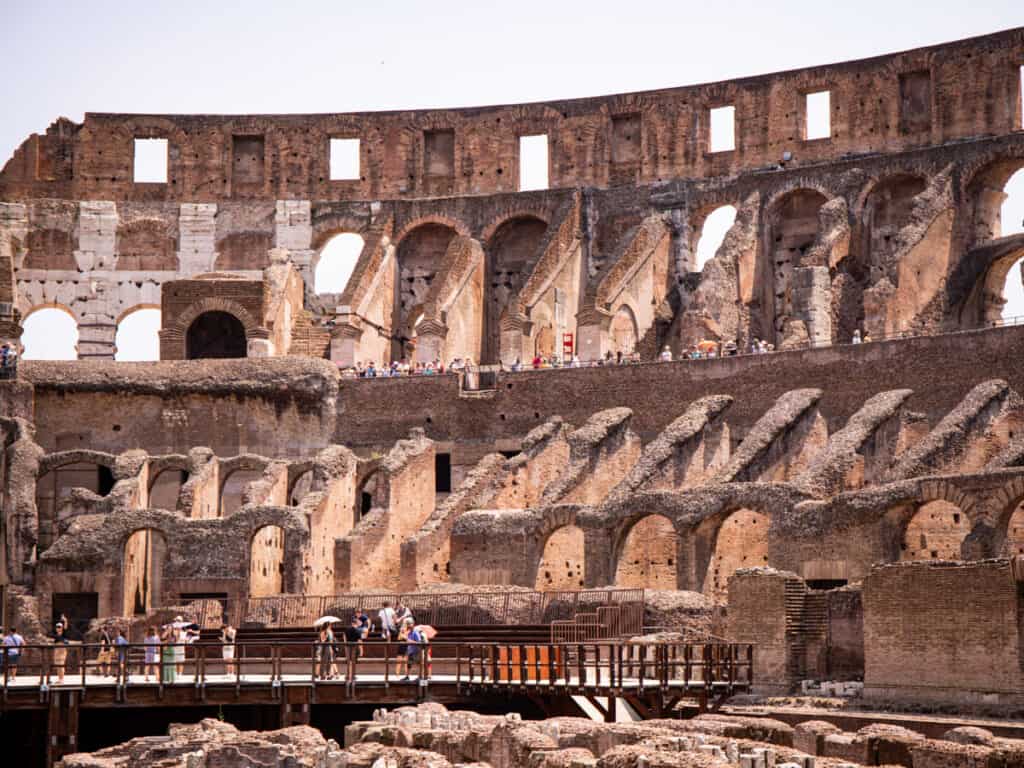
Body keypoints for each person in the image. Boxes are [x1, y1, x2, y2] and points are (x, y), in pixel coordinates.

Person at [52, 619, 70, 684]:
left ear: (62, 628)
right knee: (57, 666)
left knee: (61, 664)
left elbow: (65, 627)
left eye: (59, 627)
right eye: (57, 627)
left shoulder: (64, 634)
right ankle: (59, 678)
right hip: (57, 651)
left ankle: (62, 679)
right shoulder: (56, 635)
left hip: (62, 651)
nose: (58, 628)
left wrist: (65, 620)